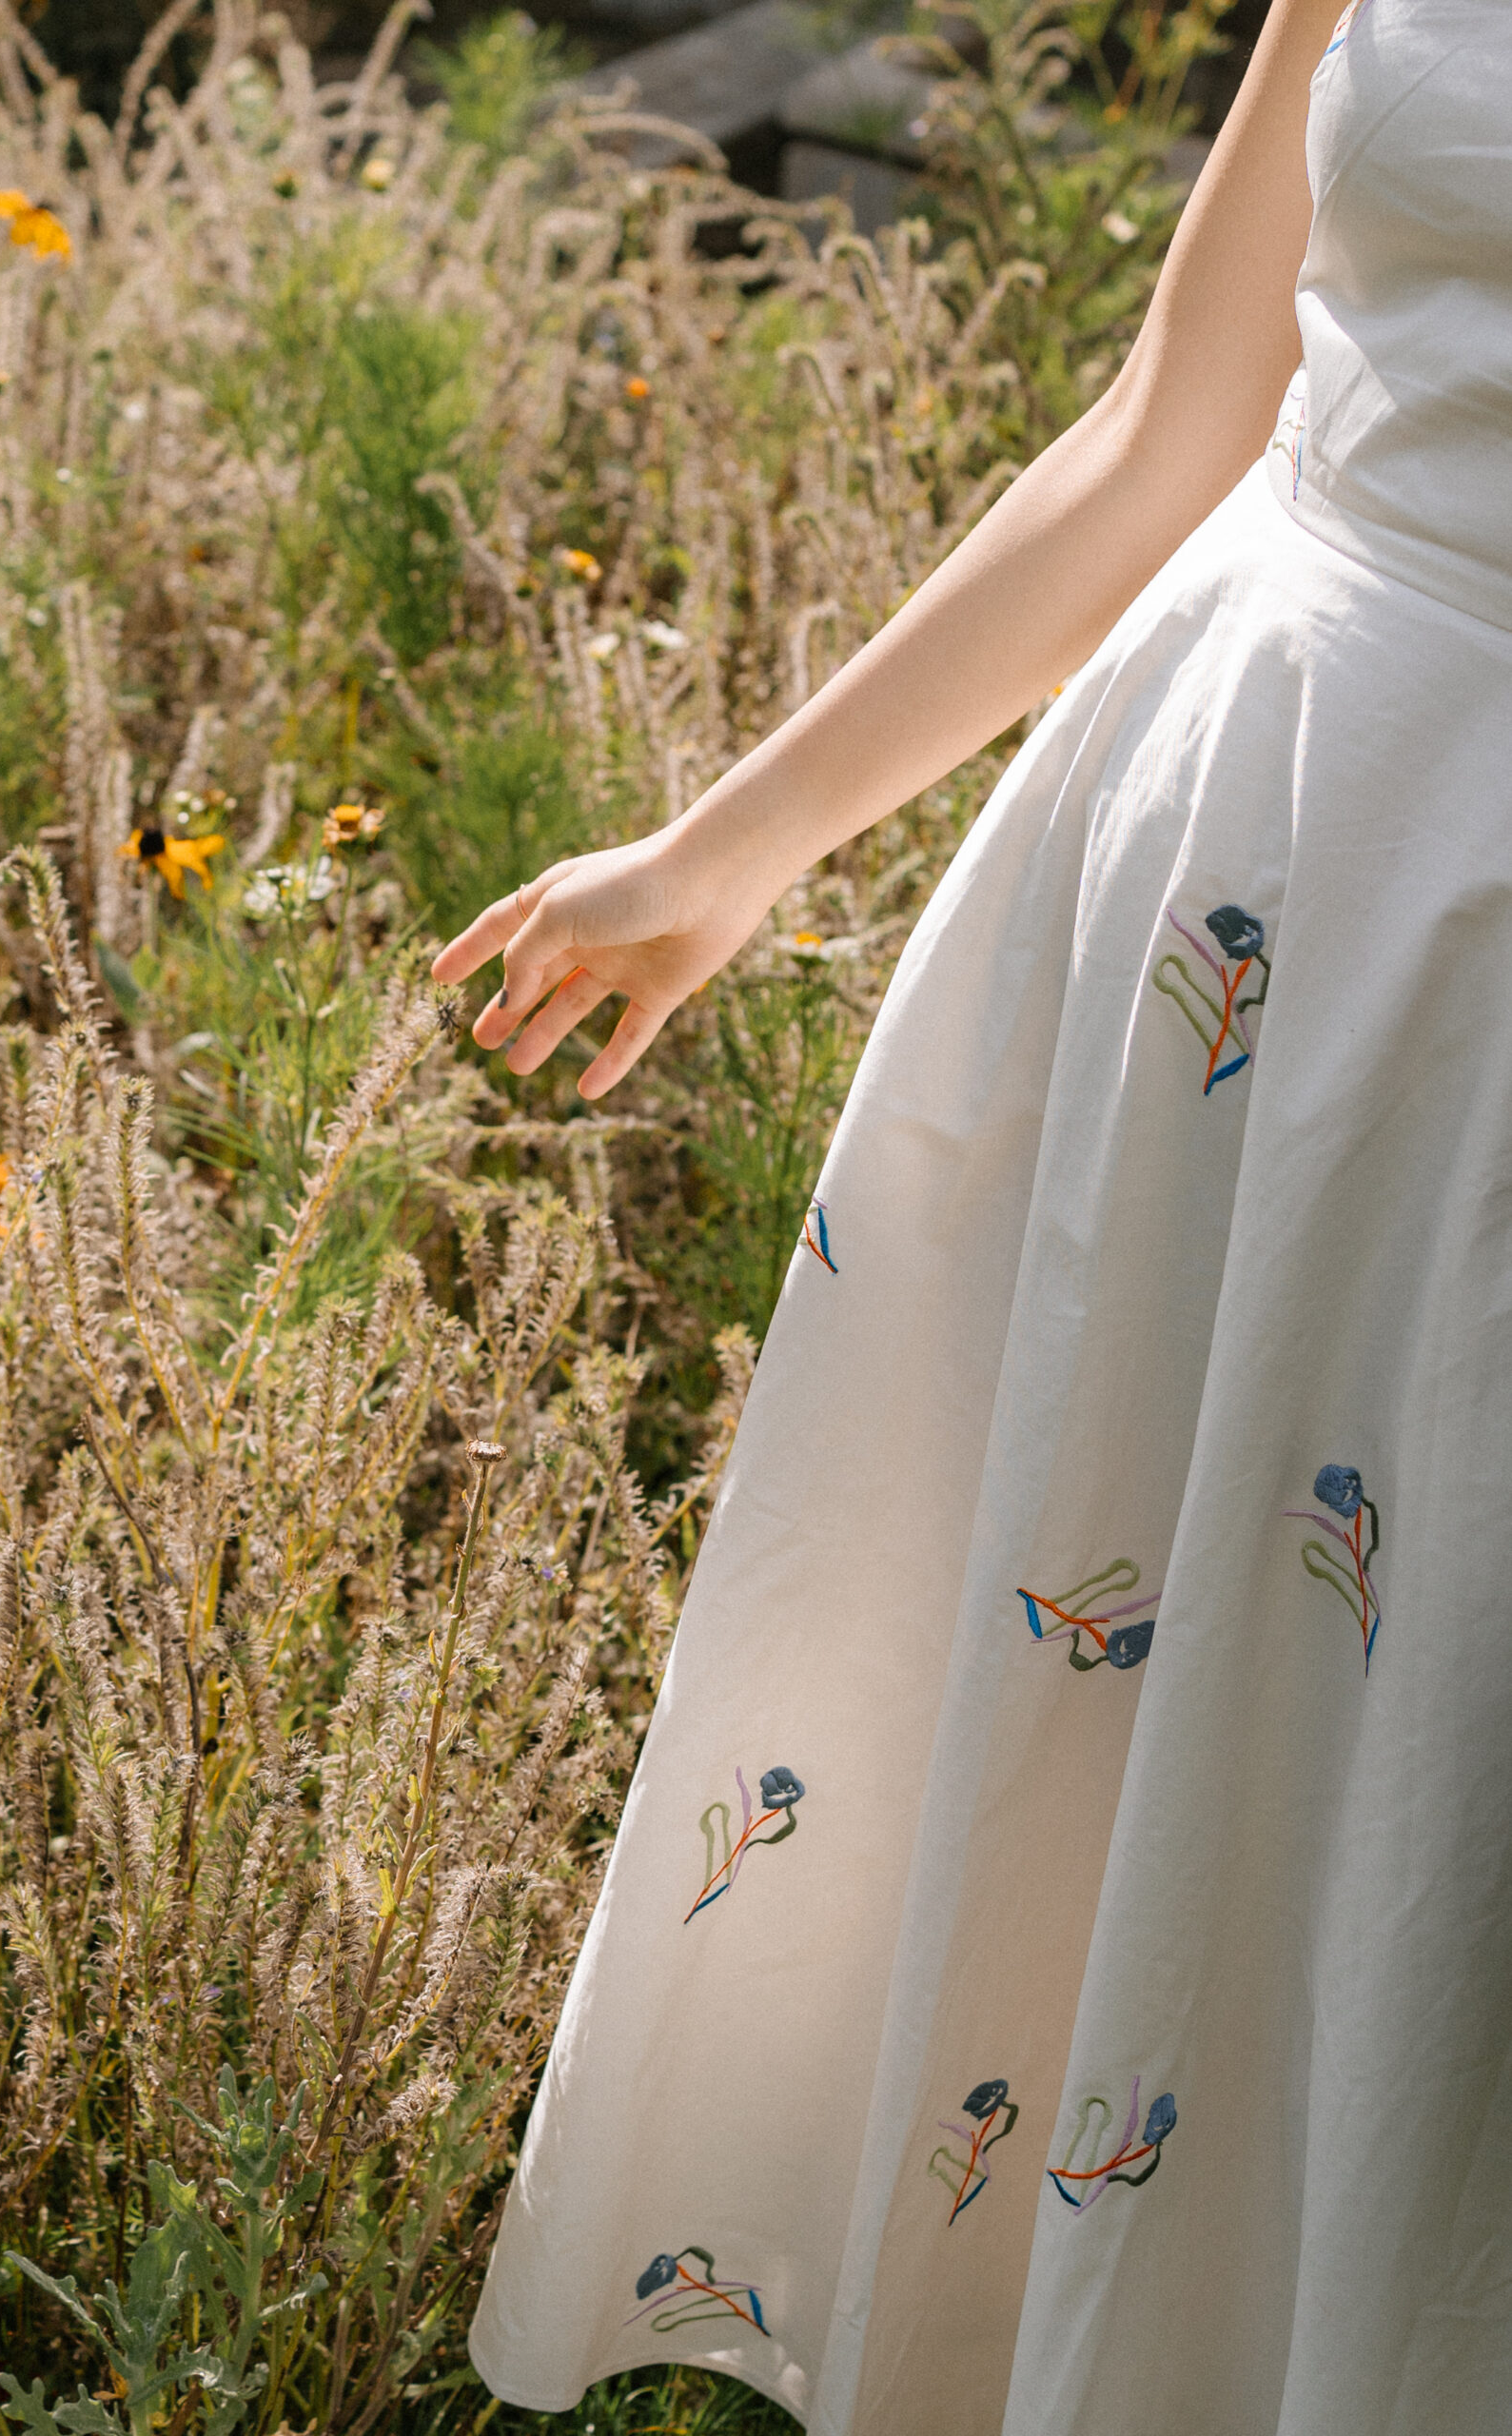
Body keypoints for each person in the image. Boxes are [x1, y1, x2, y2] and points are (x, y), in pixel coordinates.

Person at [435, 1, 1512, 2426]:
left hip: (1482, 1035)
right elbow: (1171, 422)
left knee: (1420, 1819)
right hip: (1226, 885)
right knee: (1085, 1727)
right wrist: (726, 850)